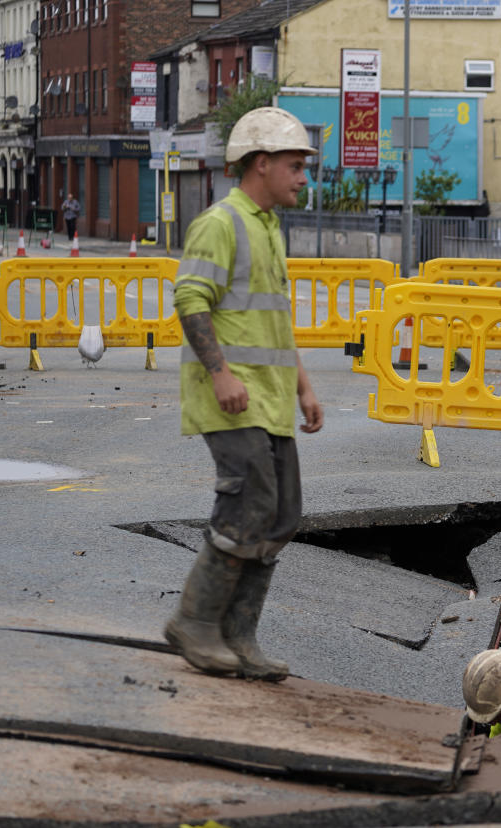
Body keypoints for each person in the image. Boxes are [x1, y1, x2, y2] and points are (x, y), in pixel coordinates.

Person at [164, 106, 323, 681]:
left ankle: (239, 636)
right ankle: (195, 622)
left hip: (273, 401)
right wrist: (222, 374)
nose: (303, 176)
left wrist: (305, 388)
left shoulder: (269, 229)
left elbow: (274, 323)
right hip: (230, 398)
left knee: (281, 517)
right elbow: (190, 300)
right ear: (261, 164)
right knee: (249, 504)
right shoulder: (221, 223)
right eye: (295, 164)